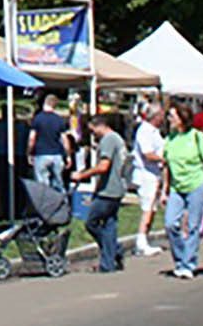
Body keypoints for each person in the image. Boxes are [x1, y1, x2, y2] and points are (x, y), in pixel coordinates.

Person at [160, 101, 203, 279]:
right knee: (170, 224)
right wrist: (164, 190)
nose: (169, 119)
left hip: (195, 184)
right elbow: (166, 166)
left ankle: (188, 263)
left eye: (172, 116)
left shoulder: (197, 136)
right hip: (176, 187)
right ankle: (180, 258)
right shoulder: (170, 139)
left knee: (193, 226)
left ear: (182, 118)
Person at [72, 111, 130, 272]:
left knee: (91, 222)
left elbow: (104, 166)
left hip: (108, 190)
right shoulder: (117, 138)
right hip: (116, 188)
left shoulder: (108, 140)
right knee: (110, 224)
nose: (92, 135)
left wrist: (82, 175)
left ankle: (114, 249)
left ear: (99, 126)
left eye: (92, 131)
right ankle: (108, 263)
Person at [131, 103, 166, 256]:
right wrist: (165, 159)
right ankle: (141, 241)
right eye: (161, 116)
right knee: (147, 208)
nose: (163, 119)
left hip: (154, 173)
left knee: (152, 209)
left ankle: (145, 239)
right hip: (146, 174)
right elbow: (148, 153)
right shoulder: (144, 131)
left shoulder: (154, 131)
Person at [30, 94, 72, 191]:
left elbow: (32, 138)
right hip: (57, 155)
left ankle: (44, 201)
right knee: (59, 184)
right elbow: (65, 140)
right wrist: (68, 156)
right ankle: (62, 199)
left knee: (42, 186)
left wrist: (29, 152)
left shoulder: (37, 119)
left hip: (41, 154)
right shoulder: (59, 120)